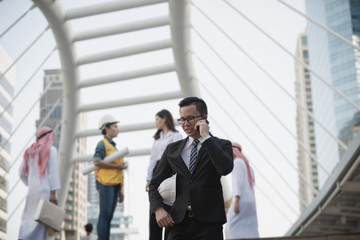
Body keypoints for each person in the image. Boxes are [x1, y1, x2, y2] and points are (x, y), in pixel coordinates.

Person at [149, 97, 234, 240]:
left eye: (190, 118)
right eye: (182, 119)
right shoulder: (172, 150)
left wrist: (206, 138)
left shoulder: (222, 145)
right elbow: (154, 183)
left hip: (209, 225)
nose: (185, 124)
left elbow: (225, 168)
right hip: (177, 224)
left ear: (204, 118)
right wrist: (158, 209)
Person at [146, 109, 183, 240]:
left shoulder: (176, 136)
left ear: (165, 118)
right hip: (157, 170)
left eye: (157, 119)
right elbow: (152, 160)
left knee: (169, 206)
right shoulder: (156, 140)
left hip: (170, 170)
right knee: (154, 208)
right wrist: (148, 179)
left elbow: (179, 157)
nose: (156, 122)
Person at [18, 126, 61, 240]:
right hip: (45, 191)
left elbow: (21, 172)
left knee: (28, 219)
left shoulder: (29, 151)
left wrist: (31, 183)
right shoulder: (51, 150)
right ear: (48, 136)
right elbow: (53, 173)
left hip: (32, 191)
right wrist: (53, 194)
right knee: (41, 222)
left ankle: (23, 237)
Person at [93, 114, 128, 240]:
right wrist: (117, 167)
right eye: (115, 126)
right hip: (105, 183)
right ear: (106, 128)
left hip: (114, 185)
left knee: (108, 216)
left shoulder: (113, 146)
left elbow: (117, 171)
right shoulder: (102, 144)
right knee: (105, 215)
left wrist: (120, 190)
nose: (117, 129)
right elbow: (97, 161)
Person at [225, 143, 259, 239]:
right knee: (250, 228)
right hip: (250, 201)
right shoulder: (245, 164)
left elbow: (238, 184)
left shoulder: (237, 163)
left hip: (240, 200)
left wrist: (236, 201)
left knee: (230, 227)